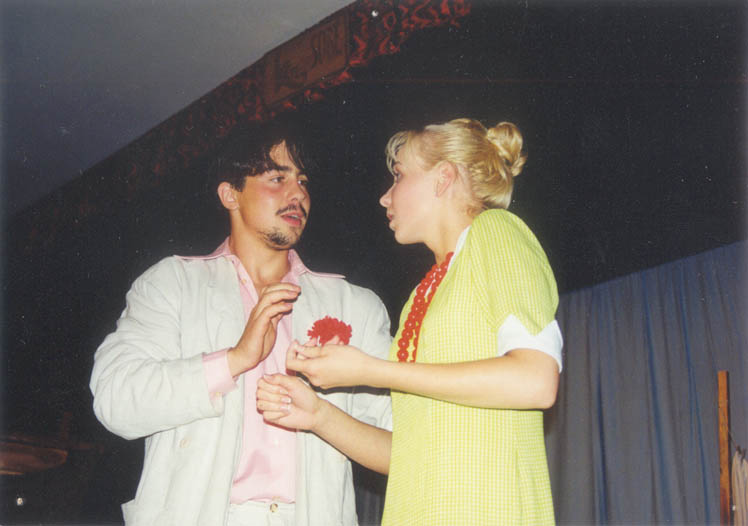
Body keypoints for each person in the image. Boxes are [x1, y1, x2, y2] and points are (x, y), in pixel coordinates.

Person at [257, 118, 563, 525]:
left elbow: (536, 380)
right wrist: (318, 415)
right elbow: (406, 453)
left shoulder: (496, 231)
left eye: (399, 175)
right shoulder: (422, 295)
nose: (385, 196)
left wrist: (372, 370)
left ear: (443, 178)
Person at [90, 121, 393, 526]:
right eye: (277, 178)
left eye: (303, 181)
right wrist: (234, 360)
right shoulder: (173, 284)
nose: (298, 194)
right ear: (230, 194)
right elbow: (115, 400)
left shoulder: (354, 304)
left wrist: (324, 416)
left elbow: (403, 443)